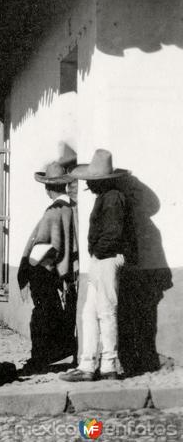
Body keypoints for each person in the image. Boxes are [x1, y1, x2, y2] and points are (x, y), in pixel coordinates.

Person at [60, 149, 131, 382]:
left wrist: (98, 254)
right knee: (89, 313)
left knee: (106, 312)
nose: (88, 184)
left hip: (108, 259)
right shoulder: (106, 197)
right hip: (100, 259)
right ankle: (88, 365)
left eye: (92, 180)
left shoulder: (113, 198)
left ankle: (109, 365)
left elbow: (112, 234)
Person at [17, 161, 79, 374]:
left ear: (47, 188)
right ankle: (56, 352)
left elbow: (45, 244)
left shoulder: (54, 211)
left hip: (45, 270)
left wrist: (31, 267)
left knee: (42, 316)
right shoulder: (72, 207)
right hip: (62, 269)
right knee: (55, 312)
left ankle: (40, 359)